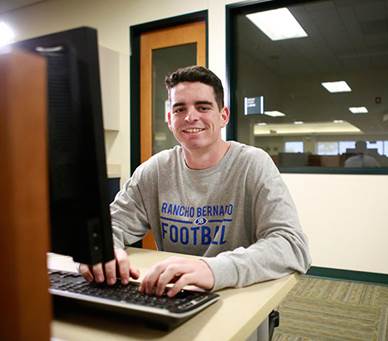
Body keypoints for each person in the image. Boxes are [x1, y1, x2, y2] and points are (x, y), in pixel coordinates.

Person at [79, 66, 311, 298]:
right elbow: (109, 226)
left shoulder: (253, 164)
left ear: (223, 116)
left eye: (203, 107)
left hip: (234, 293)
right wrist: (104, 251)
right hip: (171, 295)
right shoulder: (155, 170)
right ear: (170, 119)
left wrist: (214, 269)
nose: (191, 116)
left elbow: (292, 246)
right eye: (180, 109)